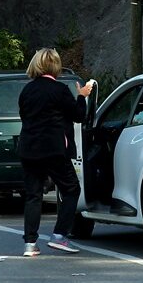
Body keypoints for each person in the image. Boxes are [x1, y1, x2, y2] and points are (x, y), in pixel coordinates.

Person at [17, 48, 93, 257]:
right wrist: (81, 96)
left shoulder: (27, 91)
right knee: (71, 190)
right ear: (55, 66)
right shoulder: (59, 90)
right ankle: (59, 235)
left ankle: (30, 244)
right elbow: (78, 116)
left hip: (28, 148)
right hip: (54, 149)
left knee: (33, 195)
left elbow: (25, 116)